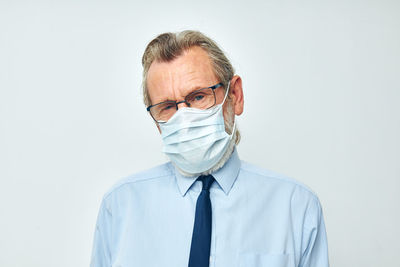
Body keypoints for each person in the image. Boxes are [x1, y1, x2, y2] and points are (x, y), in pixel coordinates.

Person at [90, 30, 330, 267]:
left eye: (198, 97)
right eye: (167, 106)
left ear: (235, 95)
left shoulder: (296, 207)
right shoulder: (121, 207)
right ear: (156, 121)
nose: (184, 118)